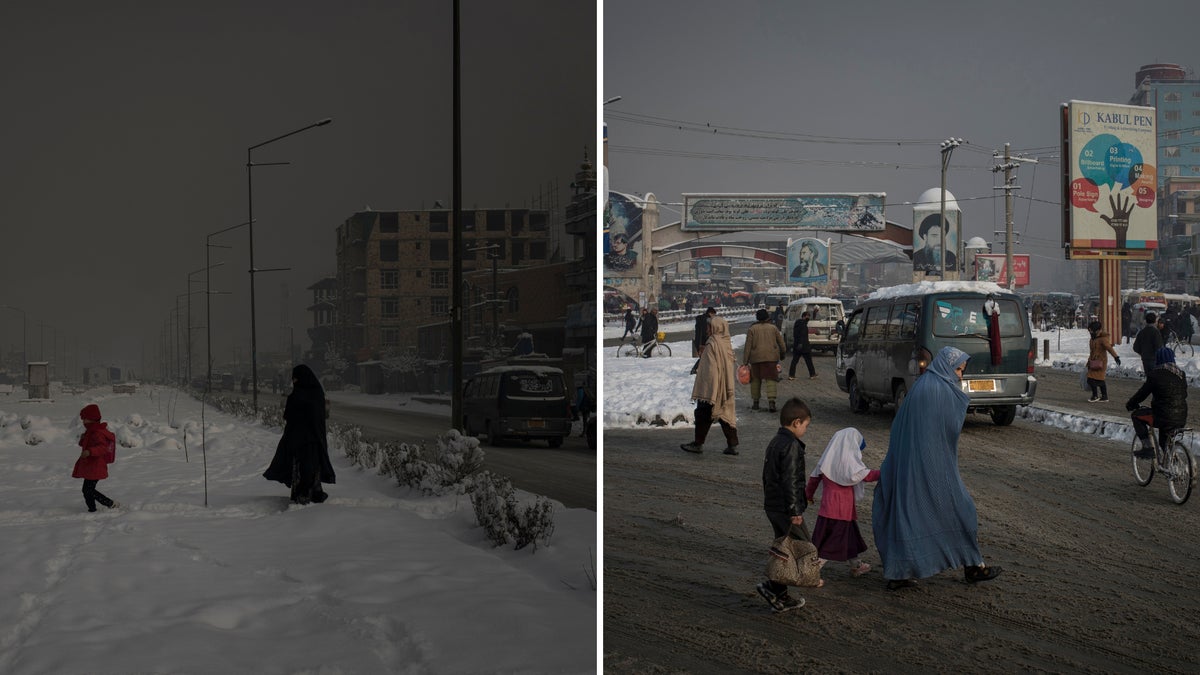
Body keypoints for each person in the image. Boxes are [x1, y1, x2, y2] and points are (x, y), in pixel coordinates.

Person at [871, 346, 1002, 590]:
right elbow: (948, 427)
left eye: (962, 371)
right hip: (930, 467)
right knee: (961, 510)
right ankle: (972, 566)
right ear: (946, 366)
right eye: (958, 370)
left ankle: (902, 573)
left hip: (911, 465)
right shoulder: (937, 390)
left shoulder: (924, 384)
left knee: (910, 516)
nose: (960, 376)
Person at [755, 397, 813, 612]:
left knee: (785, 548)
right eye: (805, 425)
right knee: (801, 546)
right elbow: (790, 480)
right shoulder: (790, 445)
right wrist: (794, 510)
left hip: (774, 505)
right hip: (785, 508)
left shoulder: (776, 441)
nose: (805, 430)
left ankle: (779, 594)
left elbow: (768, 476)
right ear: (796, 422)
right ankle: (772, 587)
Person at [805, 428, 879, 579]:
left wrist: (808, 496)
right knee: (832, 543)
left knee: (848, 538)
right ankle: (812, 570)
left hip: (828, 509)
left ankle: (856, 565)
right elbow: (867, 476)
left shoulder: (826, 461)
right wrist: (886, 472)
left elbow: (813, 480)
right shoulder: (850, 466)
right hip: (842, 511)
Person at [264, 364, 336, 504]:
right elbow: (322, 415)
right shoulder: (317, 393)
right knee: (310, 466)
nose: (294, 382)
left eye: (296, 379)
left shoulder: (299, 395)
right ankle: (312, 492)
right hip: (313, 437)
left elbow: (289, 415)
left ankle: (304, 493)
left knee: (305, 466)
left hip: (302, 438)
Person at [680, 315, 739, 456]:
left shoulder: (713, 343)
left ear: (715, 327)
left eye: (709, 326)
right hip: (724, 386)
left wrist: (711, 390)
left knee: (702, 415)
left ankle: (698, 444)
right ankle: (732, 444)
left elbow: (711, 369)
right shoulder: (726, 342)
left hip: (711, 388)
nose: (707, 329)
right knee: (725, 414)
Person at [1126, 347, 1188, 459]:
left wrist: (1131, 404)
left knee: (1136, 416)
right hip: (1181, 417)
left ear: (1158, 360)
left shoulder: (1155, 374)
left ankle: (1147, 448)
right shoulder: (1181, 374)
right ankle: (1173, 463)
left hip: (1162, 417)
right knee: (1164, 441)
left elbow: (1142, 394)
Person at [73, 403, 119, 512]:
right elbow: (85, 444)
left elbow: (103, 448)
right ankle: (93, 509)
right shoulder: (91, 431)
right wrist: (83, 439)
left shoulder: (97, 432)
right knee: (87, 490)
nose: (83, 422)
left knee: (87, 490)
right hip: (91, 466)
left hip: (96, 465)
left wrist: (90, 451)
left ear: (92, 419)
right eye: (83, 419)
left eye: (85, 419)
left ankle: (108, 504)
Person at [743, 308, 786, 412]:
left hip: (756, 359)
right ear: (767, 317)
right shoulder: (773, 328)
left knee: (755, 380)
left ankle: (756, 403)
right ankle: (771, 403)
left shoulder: (752, 329)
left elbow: (748, 346)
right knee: (771, 379)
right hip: (771, 358)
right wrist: (782, 354)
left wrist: (745, 361)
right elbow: (781, 344)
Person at [1086, 320, 1121, 402]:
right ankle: (1104, 397)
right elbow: (1092, 352)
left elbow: (1109, 348)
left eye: (1091, 330)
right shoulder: (1092, 339)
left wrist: (1116, 357)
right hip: (1093, 362)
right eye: (1089, 330)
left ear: (1097, 330)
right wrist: (1088, 362)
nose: (1090, 332)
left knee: (1091, 379)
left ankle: (1095, 396)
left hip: (1101, 362)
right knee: (1099, 379)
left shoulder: (1102, 339)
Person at [1132, 312, 1163, 378]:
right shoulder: (1156, 332)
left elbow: (1135, 347)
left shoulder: (1142, 332)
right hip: (1154, 359)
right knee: (1154, 378)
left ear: (1146, 321)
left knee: (1148, 377)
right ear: (1155, 321)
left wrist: (1143, 353)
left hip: (1145, 359)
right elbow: (1159, 347)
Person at [788, 311, 817, 380]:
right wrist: (801, 343)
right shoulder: (803, 324)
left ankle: (791, 375)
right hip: (804, 346)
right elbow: (802, 335)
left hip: (797, 345)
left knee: (795, 360)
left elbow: (796, 334)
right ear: (804, 316)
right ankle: (812, 374)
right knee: (808, 361)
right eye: (808, 316)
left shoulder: (797, 323)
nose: (808, 318)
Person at [690, 306, 717, 375]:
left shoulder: (701, 319)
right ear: (710, 313)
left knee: (704, 357)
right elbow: (705, 333)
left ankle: (699, 369)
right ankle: (694, 369)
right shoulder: (706, 320)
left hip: (699, 341)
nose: (714, 316)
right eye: (713, 315)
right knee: (704, 357)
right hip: (702, 342)